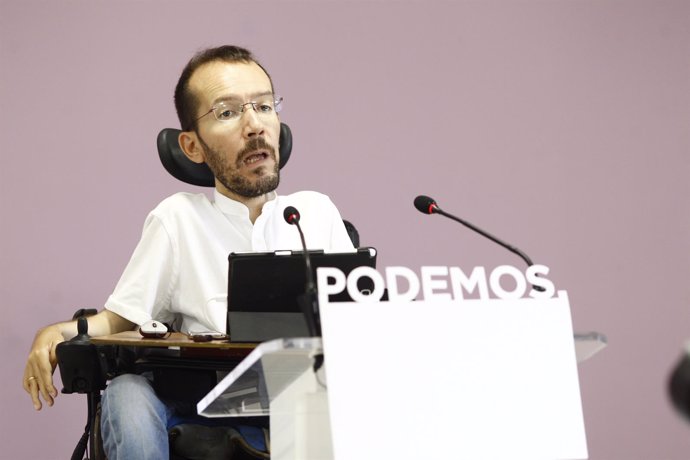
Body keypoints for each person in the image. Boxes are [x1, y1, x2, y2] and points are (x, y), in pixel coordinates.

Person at [22, 45, 355, 459]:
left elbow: (362, 329)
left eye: (264, 106)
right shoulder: (177, 219)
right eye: (228, 112)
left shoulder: (315, 213)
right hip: (199, 404)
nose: (254, 125)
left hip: (300, 402)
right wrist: (51, 334)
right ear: (192, 147)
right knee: (126, 394)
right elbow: (117, 320)